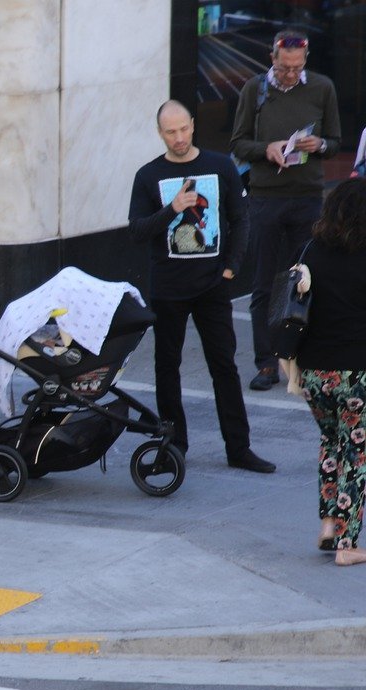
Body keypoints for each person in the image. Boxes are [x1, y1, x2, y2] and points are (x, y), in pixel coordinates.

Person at [128, 100, 275, 474]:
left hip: (213, 284)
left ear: (193, 125)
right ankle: (173, 446)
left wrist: (232, 269)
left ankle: (239, 448)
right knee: (167, 367)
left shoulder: (220, 165)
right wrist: (173, 209)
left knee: (223, 365)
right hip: (168, 287)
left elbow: (240, 220)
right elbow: (137, 231)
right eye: (170, 132)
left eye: (184, 129)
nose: (179, 138)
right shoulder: (148, 175)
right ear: (159, 133)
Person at [230, 28, 340, 391]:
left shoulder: (322, 88)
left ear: (305, 60)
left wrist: (319, 143)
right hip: (265, 197)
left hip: (307, 196)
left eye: (296, 67)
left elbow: (336, 142)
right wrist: (268, 148)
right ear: (272, 58)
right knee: (264, 283)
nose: (290, 74)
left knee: (307, 280)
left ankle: (304, 358)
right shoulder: (254, 90)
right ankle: (266, 364)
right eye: (284, 68)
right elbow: (238, 143)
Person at [293, 180, 366, 565]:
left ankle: (327, 526)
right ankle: (347, 545)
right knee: (357, 453)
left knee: (331, 443)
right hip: (357, 373)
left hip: (313, 372)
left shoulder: (312, 251)